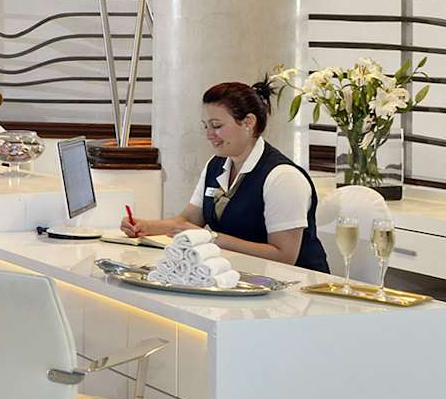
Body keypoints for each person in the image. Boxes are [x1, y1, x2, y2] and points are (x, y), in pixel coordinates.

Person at [124, 80, 329, 270]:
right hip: (240, 277)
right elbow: (187, 221)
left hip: (298, 288)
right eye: (206, 126)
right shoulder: (216, 165)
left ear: (248, 122)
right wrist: (145, 226)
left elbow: (284, 257)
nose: (209, 135)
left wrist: (210, 238)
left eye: (217, 126)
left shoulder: (283, 177)